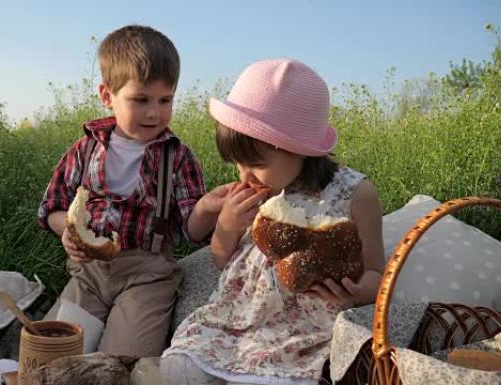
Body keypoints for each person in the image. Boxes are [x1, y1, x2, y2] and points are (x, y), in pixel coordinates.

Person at [156, 59, 385, 384]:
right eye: (237, 163)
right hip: (234, 318)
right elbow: (221, 259)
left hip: (304, 333)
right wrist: (228, 224)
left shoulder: (355, 194)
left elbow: (378, 274)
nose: (244, 175)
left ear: (300, 150)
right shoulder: (254, 192)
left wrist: (356, 291)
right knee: (176, 369)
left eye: (255, 164)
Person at [37, 25, 228, 358]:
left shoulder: (177, 156)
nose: (154, 112)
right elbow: (52, 206)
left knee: (121, 363)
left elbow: (190, 230)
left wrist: (207, 208)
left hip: (148, 276)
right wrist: (66, 229)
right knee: (53, 354)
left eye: (165, 100)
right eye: (141, 100)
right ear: (107, 95)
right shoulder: (85, 149)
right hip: (89, 275)